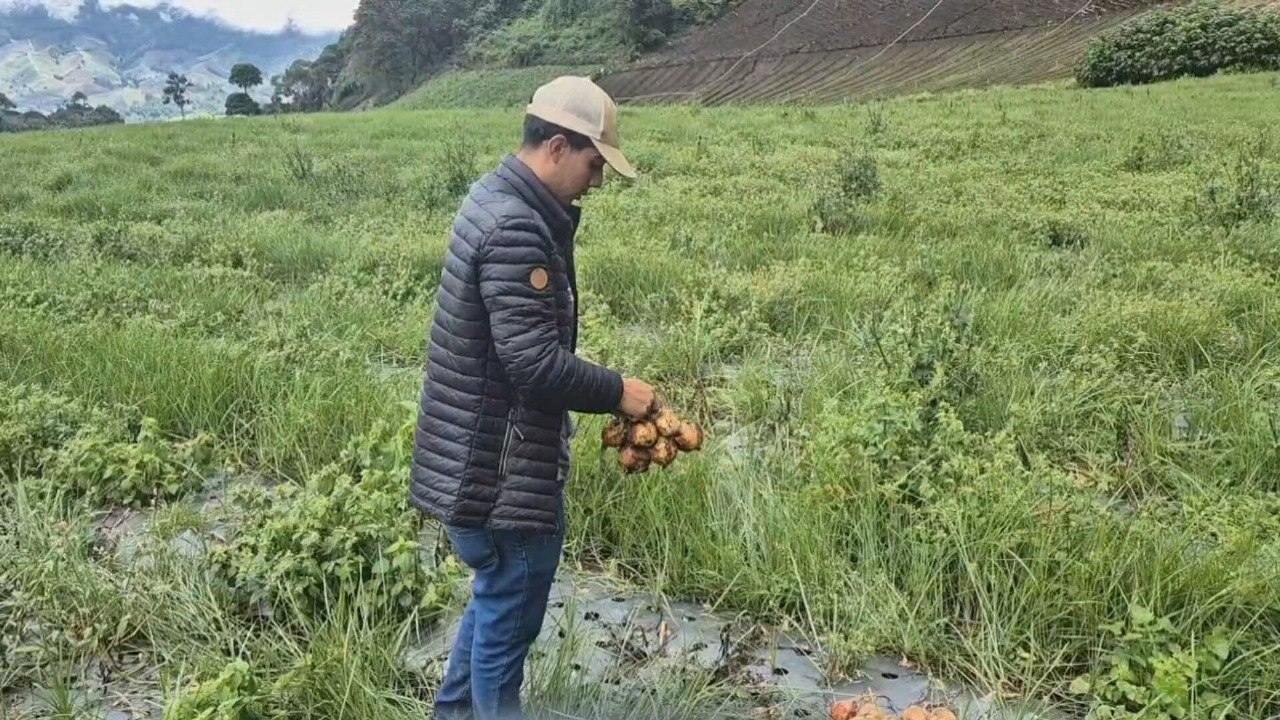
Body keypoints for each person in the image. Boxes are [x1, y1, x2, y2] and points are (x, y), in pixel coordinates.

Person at [409, 75, 657, 720]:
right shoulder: (517, 228)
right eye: (593, 163)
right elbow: (533, 363)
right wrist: (617, 393)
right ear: (555, 146)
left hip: (477, 459)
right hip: (500, 475)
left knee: (496, 602)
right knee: (506, 629)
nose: (597, 181)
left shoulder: (493, 199)